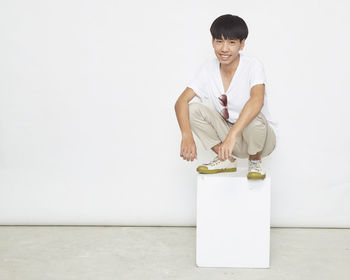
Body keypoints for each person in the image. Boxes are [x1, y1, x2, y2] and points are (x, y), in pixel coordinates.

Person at [174, 14, 278, 180]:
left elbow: (257, 101)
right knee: (192, 109)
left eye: (231, 42)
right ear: (212, 42)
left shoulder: (253, 65)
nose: (224, 48)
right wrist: (186, 135)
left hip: (261, 138)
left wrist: (231, 136)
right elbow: (181, 102)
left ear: (242, 44)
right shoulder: (208, 69)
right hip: (230, 137)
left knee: (254, 116)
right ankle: (225, 159)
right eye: (219, 41)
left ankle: (255, 162)